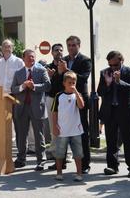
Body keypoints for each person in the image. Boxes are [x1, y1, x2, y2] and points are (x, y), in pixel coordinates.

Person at [97, 51, 130, 178]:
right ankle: (112, 166)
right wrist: (109, 84)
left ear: (122, 60)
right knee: (111, 140)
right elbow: (100, 91)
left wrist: (119, 81)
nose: (113, 68)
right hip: (110, 111)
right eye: (111, 65)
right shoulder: (104, 72)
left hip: (126, 110)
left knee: (129, 140)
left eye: (115, 65)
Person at [10, 49, 50, 170]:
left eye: (33, 57)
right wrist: (23, 86)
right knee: (21, 134)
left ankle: (40, 160)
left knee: (39, 134)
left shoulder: (41, 70)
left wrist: (34, 86)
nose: (31, 59)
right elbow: (13, 89)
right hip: (22, 108)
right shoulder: (18, 73)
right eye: (29, 57)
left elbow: (48, 85)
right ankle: (21, 159)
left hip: (37, 107)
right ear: (23, 58)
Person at [60, 35, 92, 174]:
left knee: (82, 132)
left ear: (79, 45)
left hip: (79, 99)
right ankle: (62, 164)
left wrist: (67, 71)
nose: (71, 47)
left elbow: (84, 78)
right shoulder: (64, 60)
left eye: (74, 45)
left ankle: (85, 165)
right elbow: (60, 79)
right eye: (69, 45)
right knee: (64, 131)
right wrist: (57, 73)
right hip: (65, 100)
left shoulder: (85, 60)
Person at [52, 71, 85, 182]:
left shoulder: (77, 95)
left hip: (75, 129)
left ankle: (79, 173)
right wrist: (55, 126)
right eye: (69, 82)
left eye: (74, 82)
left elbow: (81, 106)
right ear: (64, 83)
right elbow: (54, 112)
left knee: (78, 153)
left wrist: (76, 92)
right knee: (60, 153)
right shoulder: (59, 96)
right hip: (62, 129)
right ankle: (59, 173)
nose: (72, 84)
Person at [45, 43, 66, 169]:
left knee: (65, 127)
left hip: (65, 99)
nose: (59, 52)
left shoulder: (66, 64)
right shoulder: (48, 67)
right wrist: (51, 77)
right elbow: (47, 85)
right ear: (52, 53)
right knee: (54, 126)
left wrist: (61, 72)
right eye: (56, 50)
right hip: (52, 98)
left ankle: (65, 154)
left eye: (61, 50)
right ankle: (55, 152)